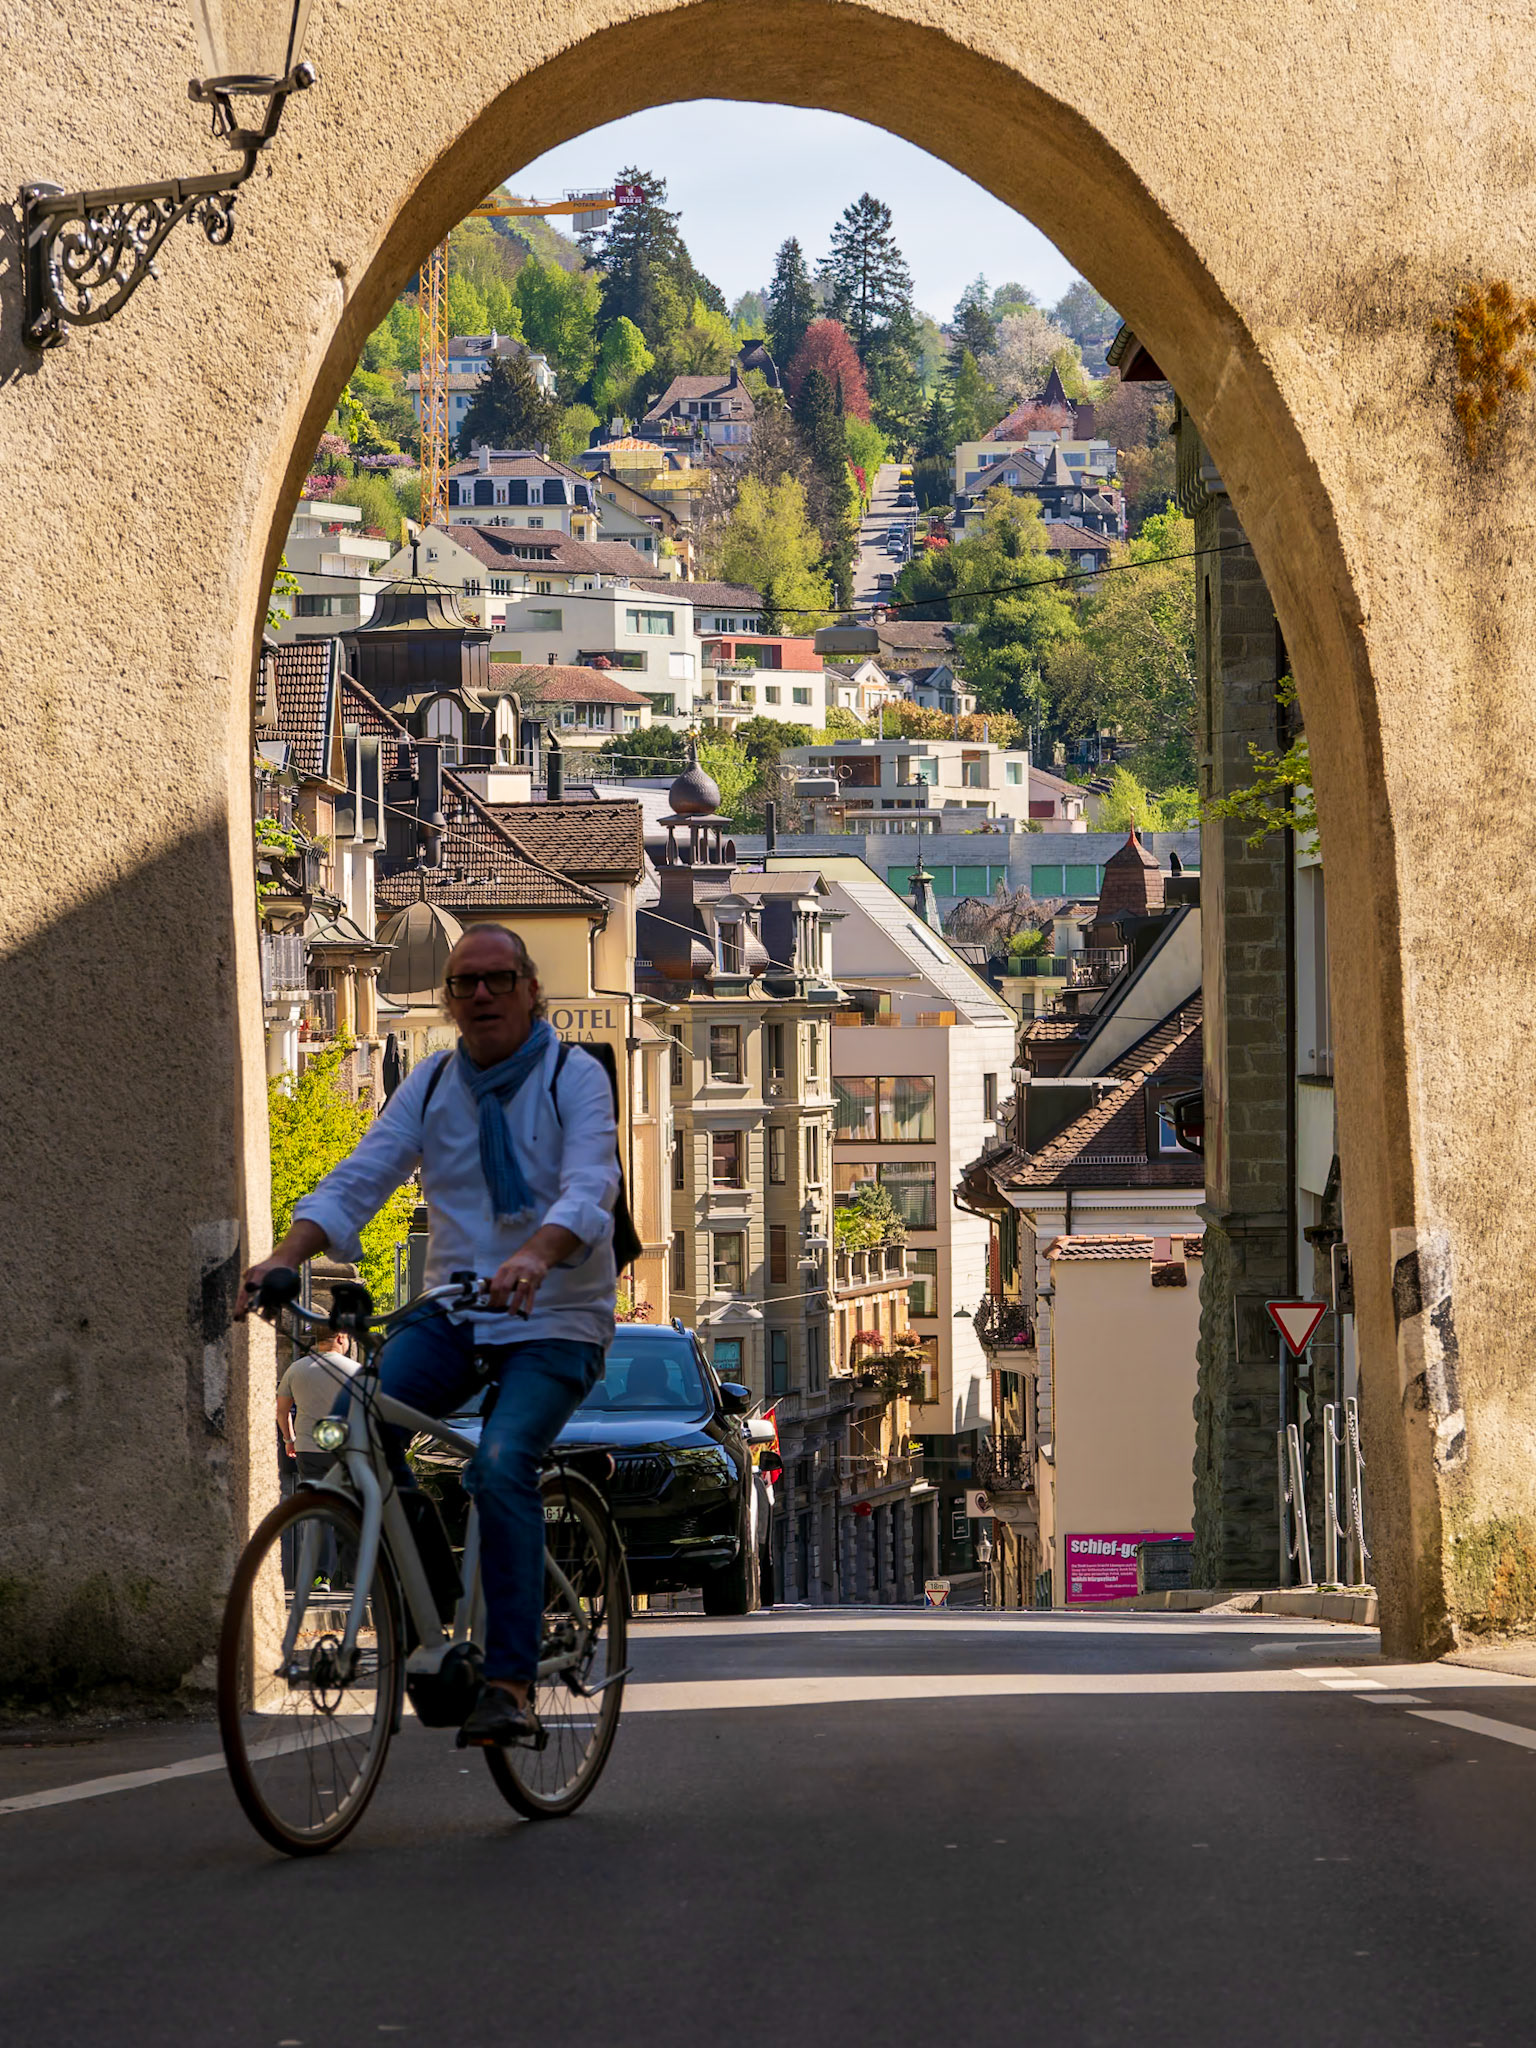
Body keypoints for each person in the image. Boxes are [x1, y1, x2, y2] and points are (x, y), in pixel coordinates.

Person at [240, 924, 621, 1748]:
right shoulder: (435, 1083)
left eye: (496, 981)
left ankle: (512, 1682)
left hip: (556, 1318)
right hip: (456, 1311)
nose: (479, 996)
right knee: (362, 1430)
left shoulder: (573, 1076)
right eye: (463, 986)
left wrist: (534, 1254)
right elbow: (365, 1173)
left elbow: (592, 1186)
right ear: (449, 1003)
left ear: (529, 989)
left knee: (500, 1462)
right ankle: (439, 1621)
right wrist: (283, 1256)